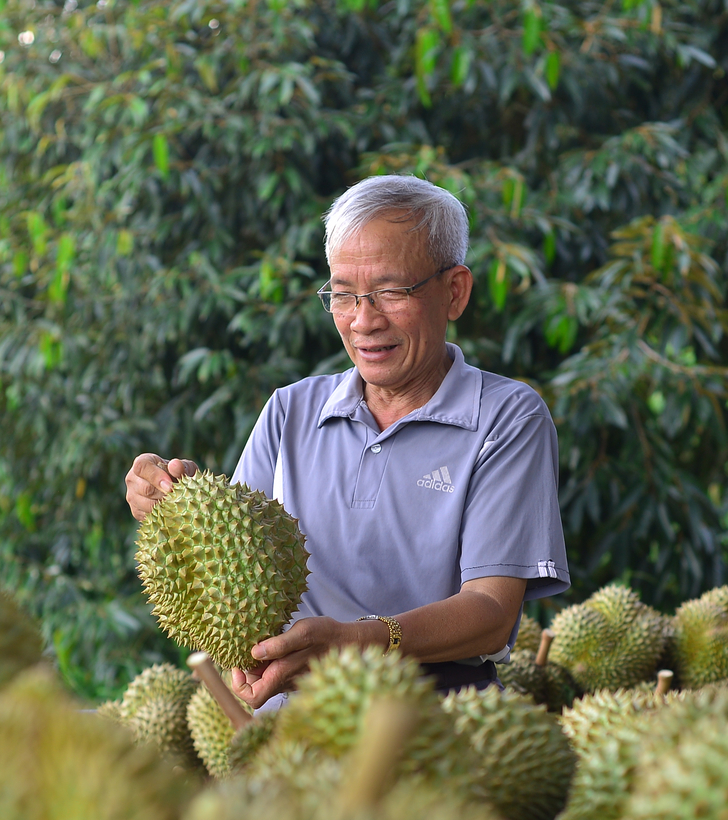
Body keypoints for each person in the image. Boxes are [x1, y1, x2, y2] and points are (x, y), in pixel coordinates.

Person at [123, 175, 570, 708]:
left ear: (455, 291)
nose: (363, 320)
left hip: (438, 726)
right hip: (292, 726)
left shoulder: (505, 417)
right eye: (342, 295)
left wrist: (355, 644)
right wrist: (176, 499)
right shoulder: (290, 410)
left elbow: (491, 616)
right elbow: (233, 561)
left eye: (389, 291)